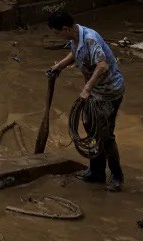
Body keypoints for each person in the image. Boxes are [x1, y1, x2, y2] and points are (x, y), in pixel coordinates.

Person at [45, 11, 126, 191]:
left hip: (108, 92)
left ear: (65, 29)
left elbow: (103, 65)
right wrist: (58, 67)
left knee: (105, 135)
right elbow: (74, 54)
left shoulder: (90, 39)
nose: (57, 37)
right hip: (94, 93)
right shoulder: (76, 39)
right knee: (91, 128)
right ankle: (97, 172)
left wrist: (87, 88)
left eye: (57, 33)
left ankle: (116, 176)